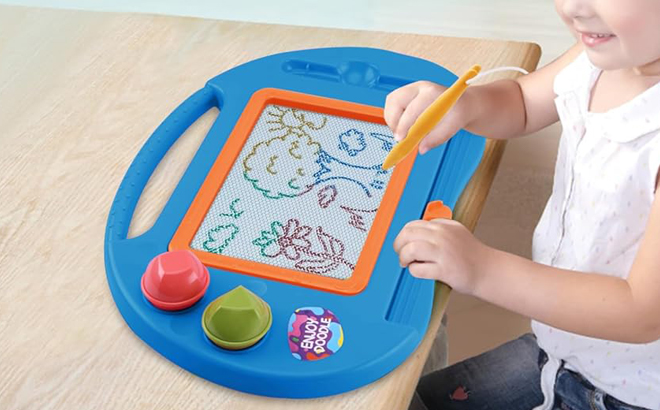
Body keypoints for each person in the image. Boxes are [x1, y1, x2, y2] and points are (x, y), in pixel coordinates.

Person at [385, 0, 660, 409]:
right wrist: (462, 105)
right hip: (561, 350)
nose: (572, 7)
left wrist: (480, 269)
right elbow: (523, 101)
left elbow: (640, 312)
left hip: (627, 393)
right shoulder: (604, 53)